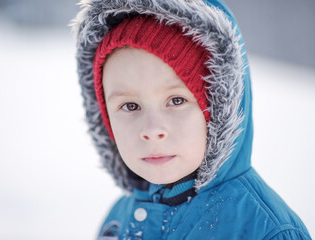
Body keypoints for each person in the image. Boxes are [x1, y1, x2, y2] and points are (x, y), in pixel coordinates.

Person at [71, 0, 311, 239]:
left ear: (218, 110)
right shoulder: (118, 219)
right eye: (130, 106)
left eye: (176, 101)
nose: (152, 130)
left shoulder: (264, 229)